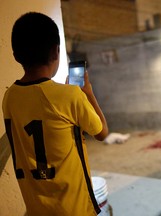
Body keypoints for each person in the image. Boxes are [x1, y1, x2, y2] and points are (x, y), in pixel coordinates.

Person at [2, 12, 108, 216]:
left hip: (36, 210)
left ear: (16, 55)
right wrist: (88, 93)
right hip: (74, 209)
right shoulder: (70, 95)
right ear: (56, 51)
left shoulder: (9, 97)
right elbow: (102, 132)